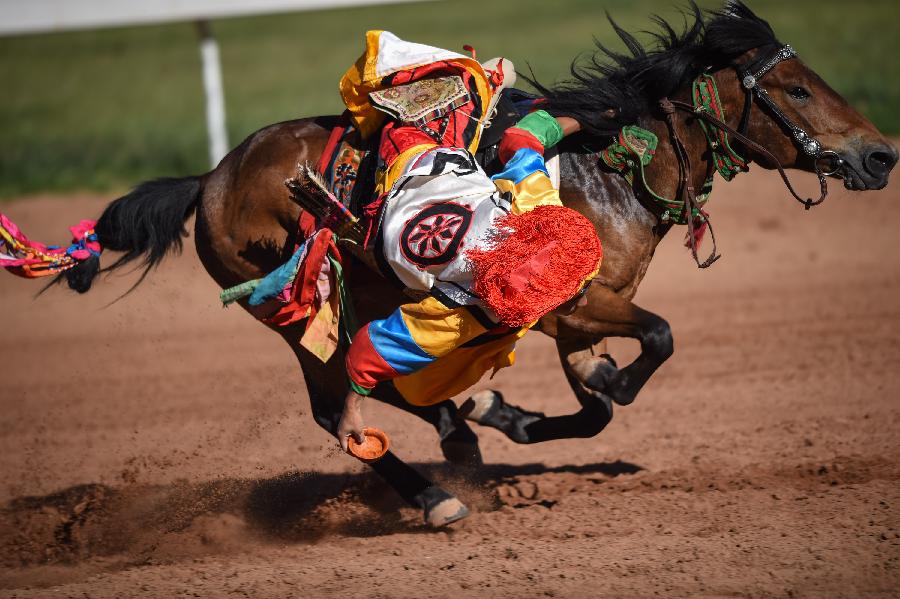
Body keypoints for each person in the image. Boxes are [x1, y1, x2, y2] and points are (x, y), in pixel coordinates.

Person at [334, 31, 603, 452]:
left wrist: (590, 118)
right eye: (575, 294)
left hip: (428, 157)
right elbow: (371, 352)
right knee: (428, 387)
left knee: (478, 83)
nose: (584, 302)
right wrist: (352, 408)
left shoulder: (534, 213)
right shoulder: (463, 312)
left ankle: (489, 77)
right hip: (403, 174)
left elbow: (522, 140)